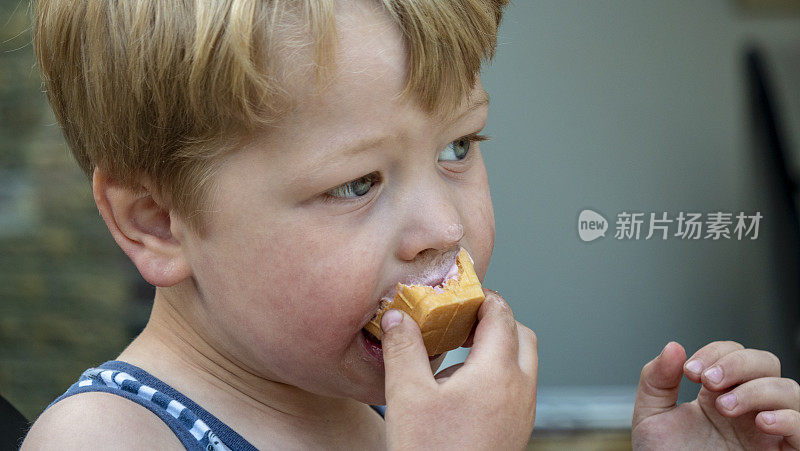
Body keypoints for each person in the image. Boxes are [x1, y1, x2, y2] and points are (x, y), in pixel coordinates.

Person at [21, 0, 799, 449]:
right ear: (157, 222)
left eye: (458, 146)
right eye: (355, 182)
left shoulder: (400, 406)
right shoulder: (105, 439)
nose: (442, 225)